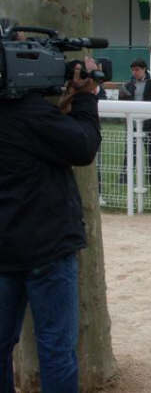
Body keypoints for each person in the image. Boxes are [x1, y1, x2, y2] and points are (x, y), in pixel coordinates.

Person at [0, 57, 102, 392]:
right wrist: (86, 97)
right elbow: (84, 145)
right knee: (56, 351)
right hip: (47, 251)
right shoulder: (31, 115)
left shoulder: (32, 118)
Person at [118, 58, 151, 185]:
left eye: (137, 70)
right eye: (133, 70)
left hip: (149, 123)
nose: (135, 72)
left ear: (144, 69)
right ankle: (124, 178)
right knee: (130, 152)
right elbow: (122, 103)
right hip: (133, 123)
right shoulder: (128, 85)